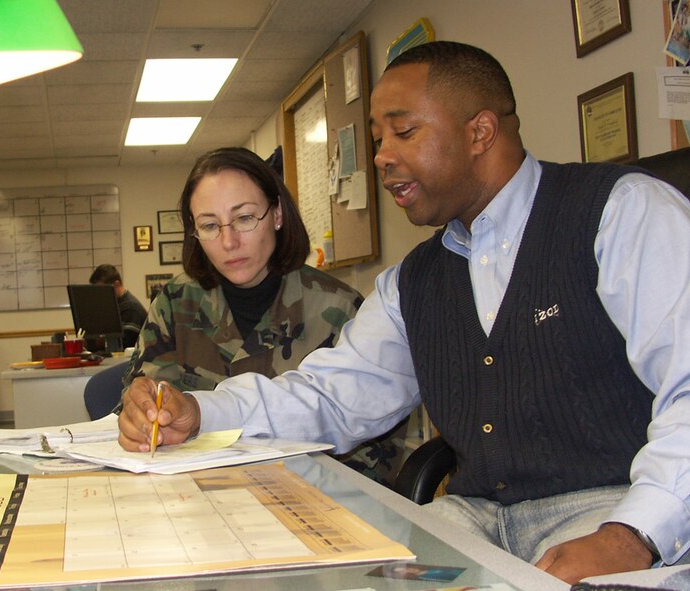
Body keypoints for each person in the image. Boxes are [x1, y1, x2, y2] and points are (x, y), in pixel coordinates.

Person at [117, 42, 690, 584]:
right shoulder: (412, 281)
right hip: (473, 516)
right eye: (376, 138)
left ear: (480, 132)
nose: (382, 158)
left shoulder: (623, 212)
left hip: (612, 507)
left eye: (404, 132)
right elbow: (332, 396)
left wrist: (634, 533)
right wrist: (201, 413)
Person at [122, 146, 406, 484]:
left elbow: (376, 454)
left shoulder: (341, 308)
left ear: (277, 215)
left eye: (244, 218)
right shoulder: (175, 301)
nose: (229, 242)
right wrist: (140, 415)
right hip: (192, 494)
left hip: (305, 502)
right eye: (210, 225)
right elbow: (145, 407)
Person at [89, 263, 148, 348]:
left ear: (116, 284)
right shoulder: (117, 305)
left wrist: (99, 341)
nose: (100, 295)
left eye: (102, 290)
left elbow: (124, 345)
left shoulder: (130, 309)